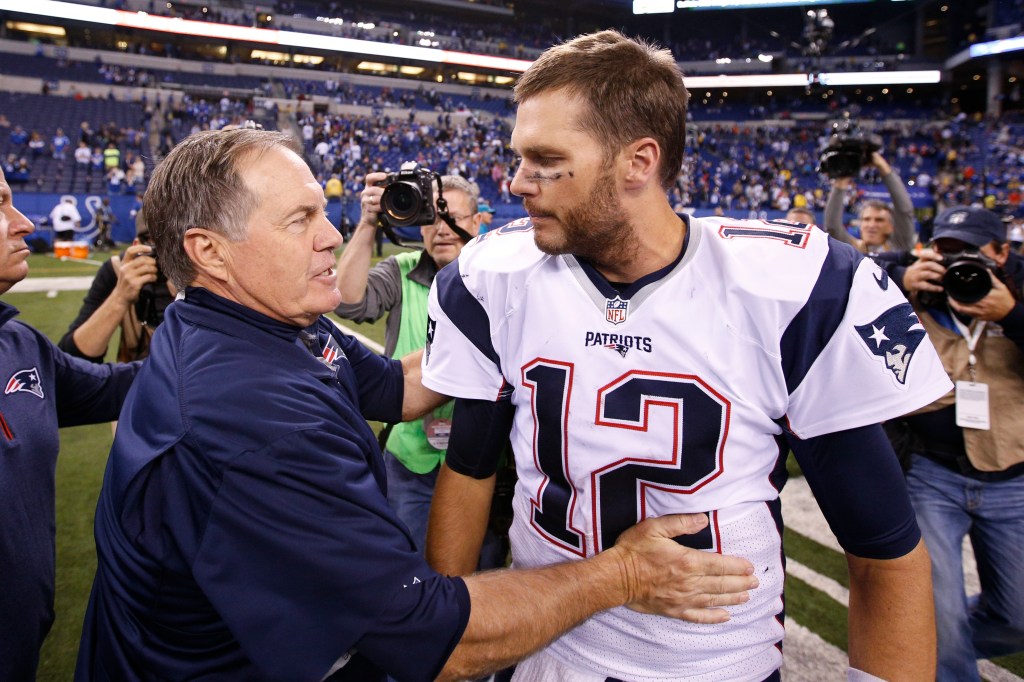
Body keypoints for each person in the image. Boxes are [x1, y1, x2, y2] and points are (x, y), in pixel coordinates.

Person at [75, 127, 759, 682]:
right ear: (209, 253)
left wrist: (514, 321)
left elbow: (398, 388)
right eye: (299, 220)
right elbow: (438, 639)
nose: (330, 235)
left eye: (324, 210)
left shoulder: (259, 325)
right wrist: (625, 572)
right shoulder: (257, 417)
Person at [422, 30, 953, 682]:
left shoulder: (790, 290)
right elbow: (470, 469)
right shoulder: (492, 277)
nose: (517, 182)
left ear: (638, 162)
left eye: (545, 160)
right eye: (519, 157)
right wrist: (444, 641)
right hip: (542, 650)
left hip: (714, 663)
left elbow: (883, 552)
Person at [0, 165, 138, 680]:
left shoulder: (19, 344)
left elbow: (112, 388)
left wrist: (214, 332)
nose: (23, 225)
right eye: (0, 203)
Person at [875, 205, 1024, 681]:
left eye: (971, 254)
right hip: (931, 474)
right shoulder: (918, 289)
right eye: (946, 252)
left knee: (1017, 617)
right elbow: (841, 276)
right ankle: (942, 650)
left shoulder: (1019, 289)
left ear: (1002, 252)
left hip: (1013, 476)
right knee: (939, 613)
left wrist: (1013, 315)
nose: (958, 265)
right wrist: (899, 276)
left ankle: (926, 646)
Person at [335, 173, 482, 554]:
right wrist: (368, 223)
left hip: (479, 456)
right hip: (407, 457)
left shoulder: (498, 279)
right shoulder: (401, 270)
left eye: (455, 219)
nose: (443, 230)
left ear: (478, 222)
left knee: (480, 573)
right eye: (433, 217)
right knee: (406, 568)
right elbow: (348, 302)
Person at [58, 212, 174, 363]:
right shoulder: (120, 270)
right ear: (137, 245)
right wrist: (120, 298)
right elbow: (71, 361)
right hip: (138, 378)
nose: (169, 250)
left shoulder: (207, 273)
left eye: (176, 237)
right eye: (154, 239)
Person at [824, 151, 917, 253]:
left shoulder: (900, 245)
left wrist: (882, 166)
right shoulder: (851, 250)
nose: (871, 225)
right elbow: (832, 227)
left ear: (891, 227)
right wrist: (843, 177)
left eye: (879, 220)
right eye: (866, 219)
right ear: (860, 225)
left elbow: (904, 211)